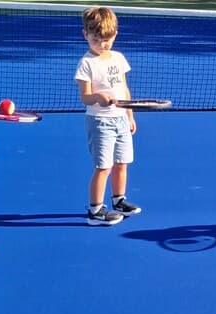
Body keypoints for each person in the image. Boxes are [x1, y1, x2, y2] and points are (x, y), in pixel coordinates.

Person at [75, 6, 141, 226]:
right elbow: (85, 97)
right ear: (85, 34)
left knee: (122, 163)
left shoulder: (119, 58)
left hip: (121, 119)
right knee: (104, 167)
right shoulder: (86, 64)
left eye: (106, 40)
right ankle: (95, 210)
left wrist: (130, 115)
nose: (102, 44)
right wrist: (98, 97)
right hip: (100, 122)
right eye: (96, 40)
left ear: (115, 35)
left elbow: (124, 89)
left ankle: (118, 200)